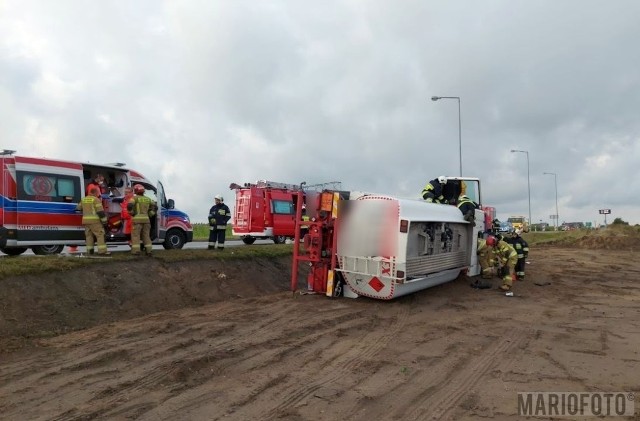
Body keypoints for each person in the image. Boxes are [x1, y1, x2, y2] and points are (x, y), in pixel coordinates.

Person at [76, 186, 110, 255]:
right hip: (95, 222)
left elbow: (78, 209)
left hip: (86, 221)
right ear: (95, 193)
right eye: (98, 193)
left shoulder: (83, 199)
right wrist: (105, 222)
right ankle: (102, 251)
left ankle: (90, 251)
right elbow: (100, 212)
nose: (99, 194)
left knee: (89, 236)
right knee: (100, 235)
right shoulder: (96, 200)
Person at [127, 184, 157, 256]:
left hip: (137, 220)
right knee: (146, 236)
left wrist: (131, 213)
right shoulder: (148, 199)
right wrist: (151, 214)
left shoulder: (134, 198)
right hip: (146, 220)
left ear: (136, 190)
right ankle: (149, 251)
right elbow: (155, 207)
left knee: (135, 236)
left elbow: (129, 205)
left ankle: (136, 251)